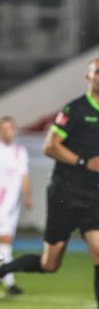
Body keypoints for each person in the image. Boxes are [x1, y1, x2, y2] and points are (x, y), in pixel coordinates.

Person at [0, 58, 99, 309]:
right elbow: (50, 146)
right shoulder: (75, 110)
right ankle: (3, 269)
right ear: (88, 77)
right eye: (98, 71)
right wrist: (85, 162)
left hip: (92, 194)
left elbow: (96, 158)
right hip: (64, 192)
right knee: (49, 264)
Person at [0, 116, 33, 295]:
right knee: (4, 242)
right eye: (4, 128)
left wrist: (28, 196)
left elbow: (24, 176)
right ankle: (9, 280)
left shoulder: (19, 152)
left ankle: (8, 280)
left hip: (9, 206)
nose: (8, 132)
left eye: (10, 128)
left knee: (5, 242)